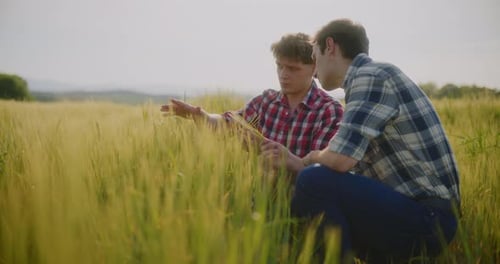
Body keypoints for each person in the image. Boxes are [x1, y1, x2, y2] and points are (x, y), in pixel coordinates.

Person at [288, 19, 460, 263]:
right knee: (315, 191)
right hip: (419, 214)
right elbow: (350, 177)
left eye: (314, 57)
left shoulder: (370, 76)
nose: (313, 71)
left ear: (330, 47)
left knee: (313, 181)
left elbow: (339, 160)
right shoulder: (373, 78)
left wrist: (311, 158)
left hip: (428, 218)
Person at [161, 33, 344, 177]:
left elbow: (322, 173)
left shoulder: (328, 111)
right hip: (260, 200)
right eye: (279, 66)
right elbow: (230, 125)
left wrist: (289, 161)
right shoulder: (266, 102)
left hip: (305, 206)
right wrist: (201, 116)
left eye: (293, 68)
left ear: (314, 68)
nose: (283, 74)